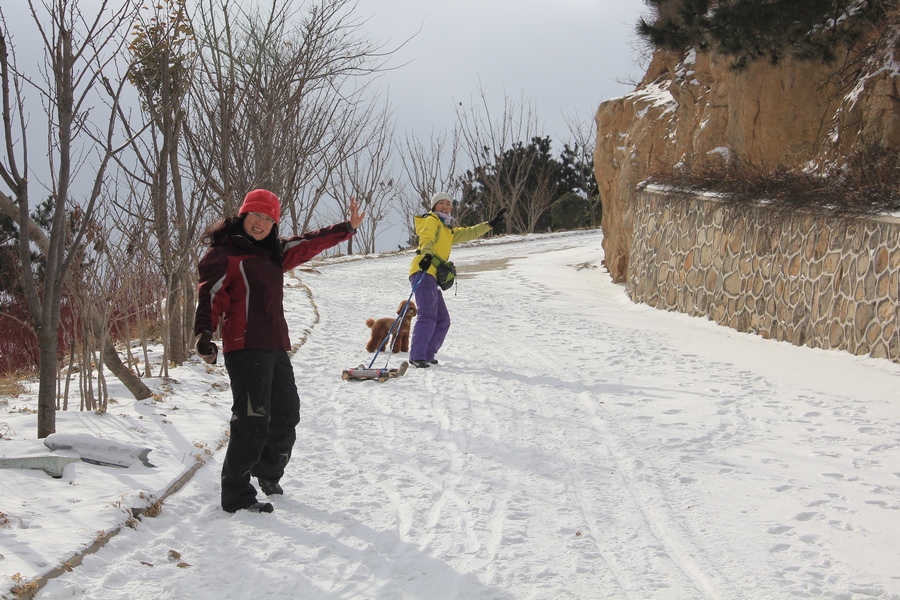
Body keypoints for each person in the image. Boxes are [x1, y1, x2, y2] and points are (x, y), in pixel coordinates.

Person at [193, 188, 364, 514]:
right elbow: (210, 296)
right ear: (244, 215)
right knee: (252, 420)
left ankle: (268, 473)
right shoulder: (223, 254)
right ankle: (236, 496)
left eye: (269, 219)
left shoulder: (274, 253)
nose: (261, 223)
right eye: (256, 215)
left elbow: (309, 243)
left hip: (275, 346)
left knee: (286, 414)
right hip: (244, 348)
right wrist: (204, 333)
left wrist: (348, 227)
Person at [407, 191, 507, 369]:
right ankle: (417, 355)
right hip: (423, 269)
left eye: (448, 204)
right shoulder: (431, 220)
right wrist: (427, 255)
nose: (445, 206)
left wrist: (489, 225)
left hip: (432, 275)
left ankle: (428, 355)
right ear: (434, 206)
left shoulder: (447, 229)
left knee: (443, 319)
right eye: (441, 203)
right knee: (428, 313)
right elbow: (426, 238)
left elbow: (468, 233)